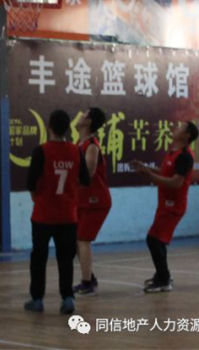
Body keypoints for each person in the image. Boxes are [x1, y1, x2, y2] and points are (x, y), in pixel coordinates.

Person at [24, 110, 90, 315]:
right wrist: (71, 189)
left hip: (43, 215)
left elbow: (30, 182)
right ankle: (67, 297)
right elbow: (85, 180)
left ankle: (37, 299)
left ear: (48, 127)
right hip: (67, 215)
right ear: (68, 128)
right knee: (65, 259)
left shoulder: (41, 151)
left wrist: (37, 196)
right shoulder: (76, 150)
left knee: (39, 257)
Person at [131, 121, 199, 293]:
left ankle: (163, 280)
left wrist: (149, 176)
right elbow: (164, 173)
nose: (176, 128)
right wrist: (145, 168)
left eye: (181, 127)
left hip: (174, 206)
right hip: (165, 204)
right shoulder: (173, 152)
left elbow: (176, 182)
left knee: (153, 239)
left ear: (187, 135)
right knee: (158, 240)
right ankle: (163, 274)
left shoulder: (185, 156)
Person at [73, 108, 112, 296]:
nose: (80, 115)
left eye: (84, 114)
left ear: (88, 121)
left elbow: (87, 174)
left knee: (83, 239)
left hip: (96, 201)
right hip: (83, 201)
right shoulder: (79, 143)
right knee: (76, 240)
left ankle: (87, 283)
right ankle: (90, 277)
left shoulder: (91, 146)